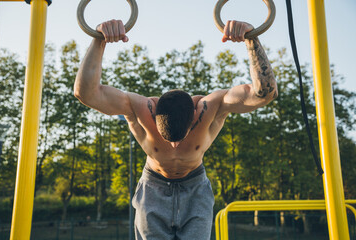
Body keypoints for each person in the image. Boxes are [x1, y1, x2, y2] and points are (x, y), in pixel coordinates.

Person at [74, 19, 277, 240]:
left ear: (193, 117)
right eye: (167, 140)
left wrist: (251, 39)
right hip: (153, 188)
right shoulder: (140, 109)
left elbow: (264, 93)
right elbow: (86, 94)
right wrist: (98, 40)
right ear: (154, 116)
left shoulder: (212, 107)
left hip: (195, 189)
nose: (174, 146)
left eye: (182, 138)